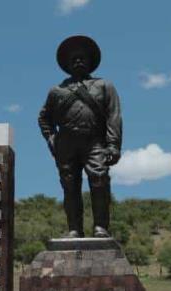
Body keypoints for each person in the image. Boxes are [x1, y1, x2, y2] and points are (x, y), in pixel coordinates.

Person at [38, 35, 122, 238]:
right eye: (73, 59)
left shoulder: (104, 85)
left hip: (95, 141)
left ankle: (100, 226)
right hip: (66, 143)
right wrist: (52, 140)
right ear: (67, 64)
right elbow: (44, 118)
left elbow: (113, 116)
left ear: (90, 61)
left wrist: (113, 145)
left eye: (82, 58)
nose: (78, 61)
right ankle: (74, 228)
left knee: (100, 180)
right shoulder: (57, 91)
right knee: (70, 185)